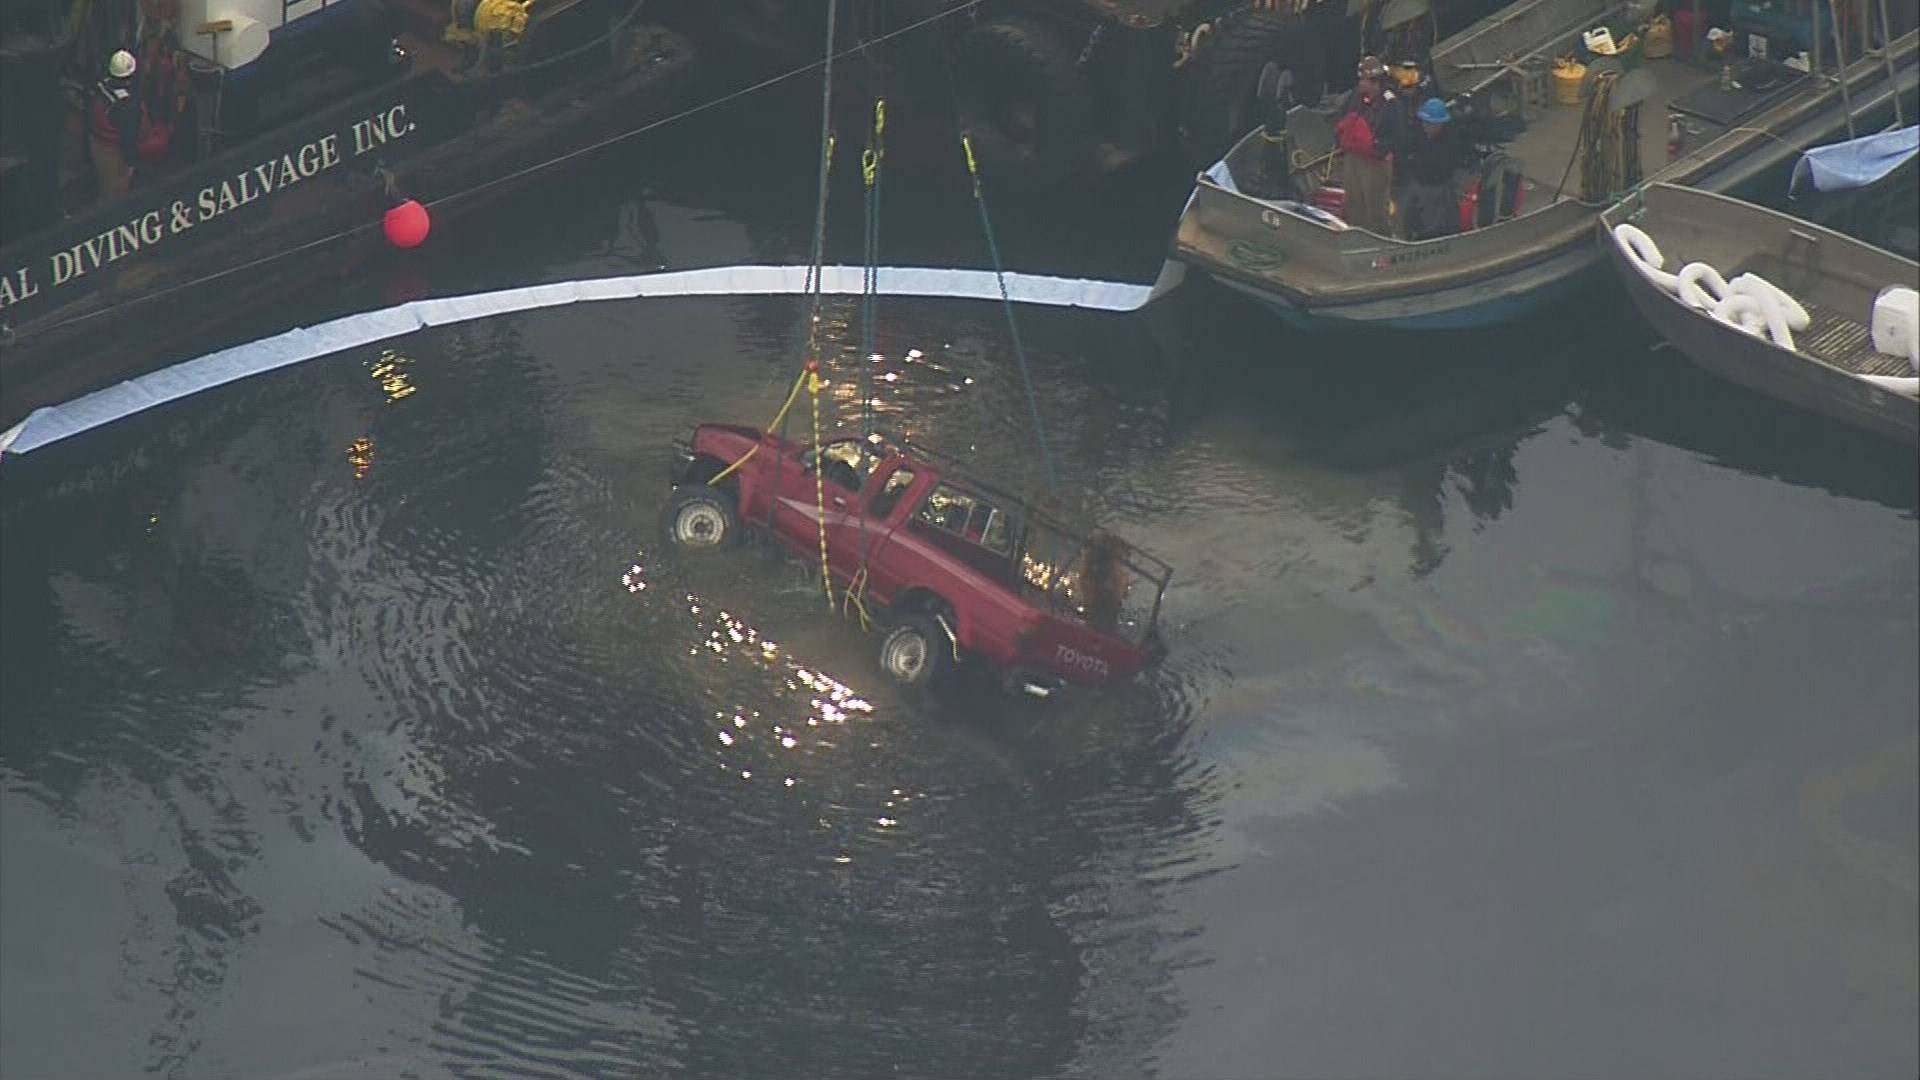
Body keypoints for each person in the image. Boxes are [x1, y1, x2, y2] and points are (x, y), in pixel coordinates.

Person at [1334, 55, 1399, 236]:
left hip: (1375, 162)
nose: (1361, 83)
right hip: (1354, 157)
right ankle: (1356, 236)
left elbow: (1397, 135)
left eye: (1364, 79)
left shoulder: (1390, 103)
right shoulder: (1356, 96)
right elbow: (1343, 115)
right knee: (1354, 203)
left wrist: (1377, 147)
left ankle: (1383, 241)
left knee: (1375, 207)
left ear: (1375, 82)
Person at [1393, 96, 1462, 242]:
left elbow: (1440, 168)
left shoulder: (1449, 142)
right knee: (1407, 215)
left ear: (1441, 124)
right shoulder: (1420, 135)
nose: (1426, 126)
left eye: (1430, 123)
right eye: (1424, 122)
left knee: (1434, 223)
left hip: (1436, 187)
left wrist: (1415, 164)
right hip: (1417, 183)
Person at [90, 50, 143, 205]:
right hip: (114, 152)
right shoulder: (125, 104)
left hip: (96, 144)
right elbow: (128, 136)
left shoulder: (102, 85)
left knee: (104, 187)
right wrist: (130, 162)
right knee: (115, 196)